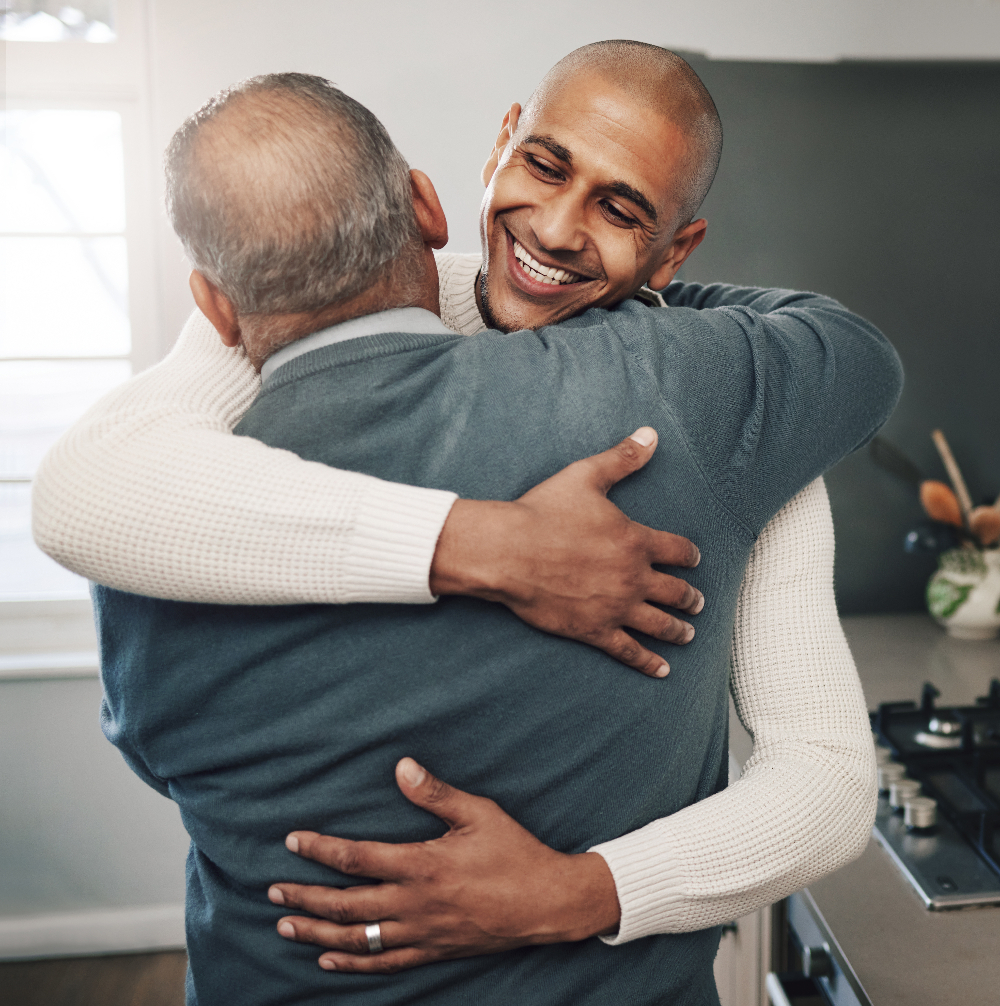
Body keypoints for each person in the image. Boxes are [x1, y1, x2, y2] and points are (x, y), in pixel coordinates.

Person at [93, 66, 900, 1005]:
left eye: (621, 210)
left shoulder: (158, 515)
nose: (557, 230)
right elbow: (853, 353)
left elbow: (162, 757)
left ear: (214, 303)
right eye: (548, 167)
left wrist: (578, 893)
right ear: (439, 198)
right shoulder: (693, 395)